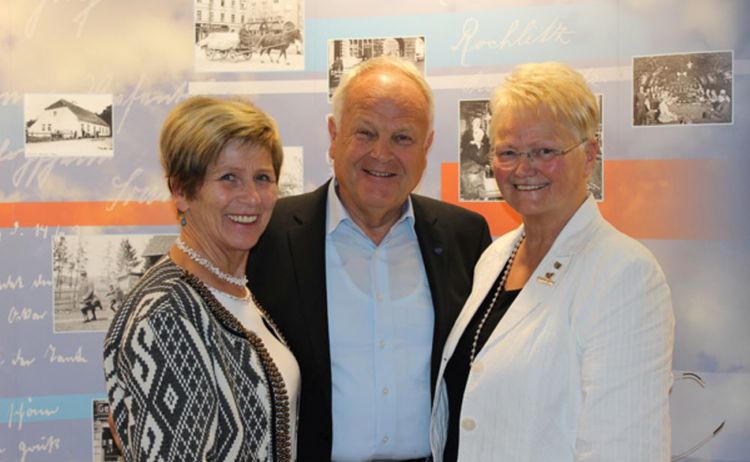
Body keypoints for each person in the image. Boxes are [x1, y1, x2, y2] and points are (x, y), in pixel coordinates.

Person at [247, 56, 492, 461]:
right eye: (365, 132)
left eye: (403, 138)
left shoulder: (465, 237)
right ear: (333, 134)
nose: (382, 154)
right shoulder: (266, 237)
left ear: (427, 146)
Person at [429, 62, 674, 461]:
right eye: (508, 152)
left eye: (545, 151)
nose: (524, 169)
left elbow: (626, 451)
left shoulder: (626, 275)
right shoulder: (494, 257)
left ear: (590, 153)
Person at [103, 96, 299, 461]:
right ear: (181, 191)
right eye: (229, 178)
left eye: (263, 178)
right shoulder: (165, 315)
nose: (252, 197)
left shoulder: (234, 291)